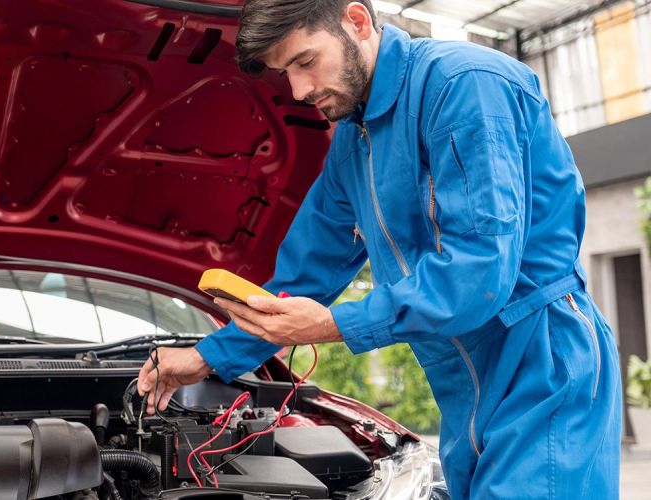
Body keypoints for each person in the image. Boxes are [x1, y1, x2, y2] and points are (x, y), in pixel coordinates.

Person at [138, 1, 621, 497]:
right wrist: (206, 359)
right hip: (461, 385)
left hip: (542, 361)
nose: (299, 91)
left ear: (358, 20)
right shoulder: (353, 139)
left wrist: (333, 325)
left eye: (305, 62)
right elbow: (303, 278)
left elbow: (479, 273)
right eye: (286, 74)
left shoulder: (465, 84)